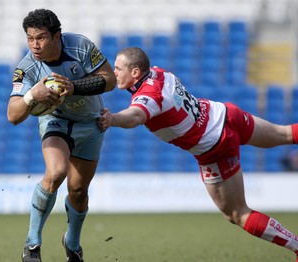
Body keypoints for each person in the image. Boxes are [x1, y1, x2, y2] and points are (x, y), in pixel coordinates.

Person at [98, 47, 298, 261]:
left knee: (237, 214)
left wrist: (113, 119)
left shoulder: (149, 96)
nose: (115, 72)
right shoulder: (160, 72)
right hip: (226, 114)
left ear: (136, 72)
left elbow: (136, 115)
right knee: (284, 133)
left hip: (215, 147)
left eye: (118, 68)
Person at [7, 8, 116, 262]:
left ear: (57, 36)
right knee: (55, 173)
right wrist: (33, 95)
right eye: (30, 38)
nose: (35, 45)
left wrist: (74, 86)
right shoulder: (26, 68)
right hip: (55, 121)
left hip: (91, 124)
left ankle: (72, 243)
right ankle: (32, 245)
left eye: (41, 38)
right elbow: (13, 115)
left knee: (78, 191)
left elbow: (110, 80)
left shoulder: (80, 46)